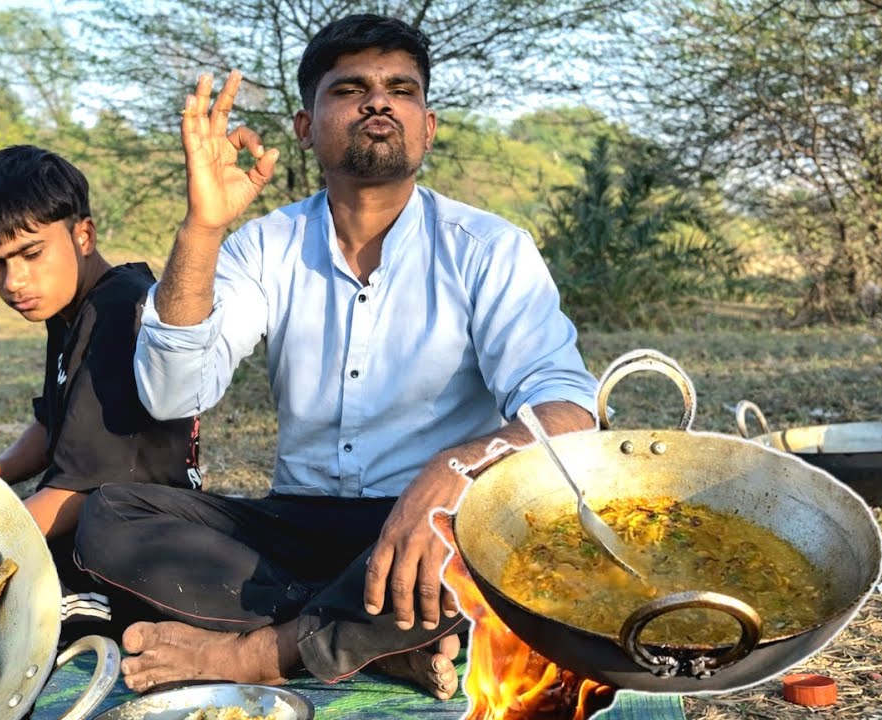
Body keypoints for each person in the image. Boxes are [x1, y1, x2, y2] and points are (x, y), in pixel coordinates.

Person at [74, 14, 598, 699]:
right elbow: (175, 395)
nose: (378, 101)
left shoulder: (489, 248)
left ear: (428, 125)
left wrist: (453, 470)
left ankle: (259, 653)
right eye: (351, 88)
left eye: (400, 89)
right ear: (304, 125)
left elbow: (569, 410)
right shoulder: (266, 245)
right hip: (300, 523)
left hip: (432, 524)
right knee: (110, 520)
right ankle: (375, 642)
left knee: (500, 541)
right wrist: (203, 228)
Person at [0, 145, 202, 643]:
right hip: (93, 522)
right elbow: (53, 426)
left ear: (82, 235)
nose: (14, 281)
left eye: (30, 253)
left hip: (139, 551)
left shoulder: (117, 312)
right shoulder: (71, 304)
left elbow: (79, 489)